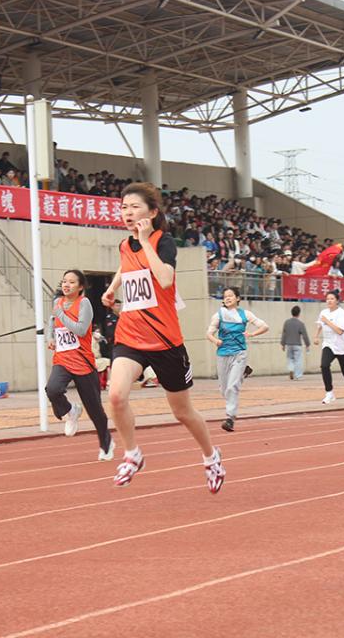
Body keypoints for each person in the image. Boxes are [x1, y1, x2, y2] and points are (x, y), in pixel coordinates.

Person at [101, 182, 226, 493]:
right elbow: (124, 265)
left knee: (182, 412)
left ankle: (211, 457)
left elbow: (166, 279)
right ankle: (132, 454)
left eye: (135, 207)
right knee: (116, 396)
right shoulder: (124, 245)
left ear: (152, 212)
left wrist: (145, 242)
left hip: (165, 341)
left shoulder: (163, 241)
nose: (127, 213)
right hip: (130, 336)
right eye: (124, 207)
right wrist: (113, 288)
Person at [46, 270, 115, 460]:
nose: (66, 285)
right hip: (62, 359)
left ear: (81, 287)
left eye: (72, 282)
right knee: (52, 389)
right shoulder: (57, 303)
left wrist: (61, 313)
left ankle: (106, 444)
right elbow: (51, 323)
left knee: (96, 411)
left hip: (83, 362)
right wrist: (50, 337)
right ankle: (70, 410)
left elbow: (81, 329)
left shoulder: (84, 304)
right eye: (64, 281)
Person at [207, 287, 269, 432]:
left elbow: (265, 326)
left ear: (238, 298)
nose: (227, 298)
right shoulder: (219, 315)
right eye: (225, 296)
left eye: (231, 296)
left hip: (239, 353)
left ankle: (230, 418)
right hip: (222, 354)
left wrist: (252, 334)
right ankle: (243, 373)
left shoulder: (245, 314)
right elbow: (208, 333)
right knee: (224, 389)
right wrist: (215, 340)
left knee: (232, 386)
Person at [315, 289, 344, 408]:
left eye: (332, 299)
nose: (329, 301)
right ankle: (329, 392)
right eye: (327, 299)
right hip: (328, 344)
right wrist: (316, 337)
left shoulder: (341, 313)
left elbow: (340, 331)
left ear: (337, 301)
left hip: (342, 346)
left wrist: (327, 322)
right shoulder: (323, 312)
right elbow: (320, 325)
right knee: (324, 365)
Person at [281, 305, 311, 380]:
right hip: (297, 344)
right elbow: (304, 335)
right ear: (299, 313)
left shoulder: (286, 322)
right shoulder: (300, 323)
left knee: (290, 358)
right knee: (298, 360)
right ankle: (298, 375)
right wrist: (307, 344)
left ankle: (291, 369)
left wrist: (283, 344)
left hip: (289, 344)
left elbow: (284, 334)